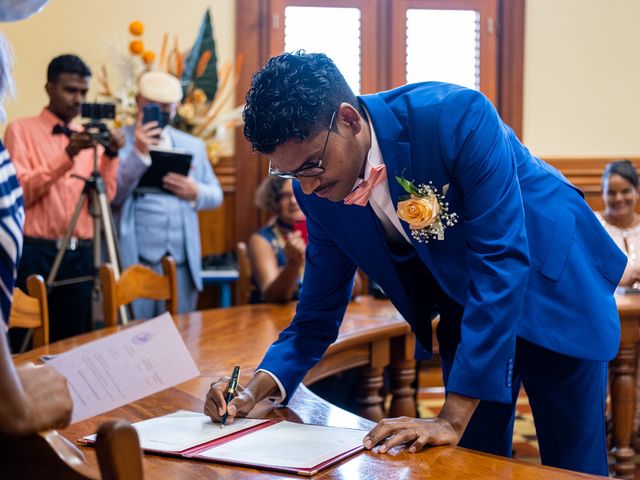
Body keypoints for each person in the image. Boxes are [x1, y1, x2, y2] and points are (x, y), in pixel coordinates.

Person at [205, 51, 626, 476]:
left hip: (555, 281)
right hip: (468, 303)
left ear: (349, 120)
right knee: (471, 465)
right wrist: (257, 387)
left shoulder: (456, 116)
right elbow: (316, 313)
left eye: (312, 165)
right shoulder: (317, 193)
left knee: (575, 464)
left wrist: (451, 416)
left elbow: (500, 258)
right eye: (291, 174)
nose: (308, 187)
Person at [4, 54, 123, 346]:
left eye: (84, 92)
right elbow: (20, 193)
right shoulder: (20, 131)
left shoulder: (89, 136)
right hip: (36, 253)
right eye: (70, 90)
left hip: (81, 255)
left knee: (74, 343)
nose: (78, 99)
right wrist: (67, 155)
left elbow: (103, 198)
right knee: (26, 343)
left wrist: (111, 157)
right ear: (49, 88)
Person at [0, 2, 72, 435]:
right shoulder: (22, 131)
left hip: (79, 246)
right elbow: (27, 189)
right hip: (41, 247)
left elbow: (110, 193)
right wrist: (14, 400)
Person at [113, 71, 223, 318]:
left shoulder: (193, 145)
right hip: (137, 257)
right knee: (137, 334)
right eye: (153, 108)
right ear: (139, 102)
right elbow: (114, 196)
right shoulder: (120, 142)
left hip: (182, 258)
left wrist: (195, 191)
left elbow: (216, 194)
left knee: (182, 333)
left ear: (176, 108)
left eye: (167, 109)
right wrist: (139, 153)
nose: (161, 115)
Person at [250, 176, 306, 303]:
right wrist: (293, 263)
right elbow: (272, 297)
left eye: (298, 192)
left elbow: (355, 289)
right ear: (274, 202)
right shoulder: (261, 240)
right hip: (272, 318)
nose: (293, 200)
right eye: (285, 196)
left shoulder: (323, 235)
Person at [596, 160, 640, 287]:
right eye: (611, 193)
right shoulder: (593, 225)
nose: (618, 198)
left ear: (636, 191)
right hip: (605, 303)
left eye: (625, 191)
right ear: (602, 194)